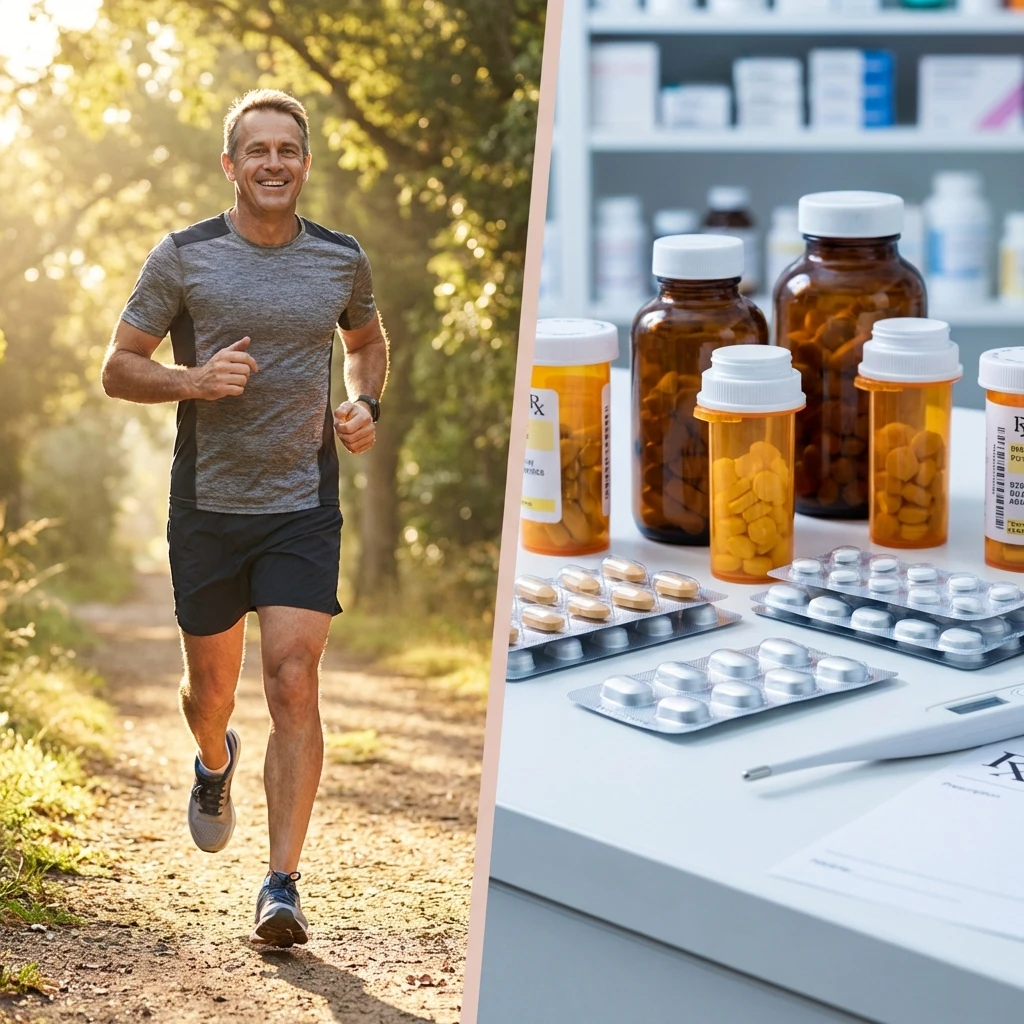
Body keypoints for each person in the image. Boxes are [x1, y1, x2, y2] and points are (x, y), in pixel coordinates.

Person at [101, 88, 388, 948]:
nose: (273, 163)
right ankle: (213, 759)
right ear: (231, 164)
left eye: (287, 150)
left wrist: (364, 402)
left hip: (302, 506)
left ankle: (282, 885)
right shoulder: (184, 257)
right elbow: (118, 366)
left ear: (305, 163)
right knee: (211, 695)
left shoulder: (339, 259)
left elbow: (367, 342)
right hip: (208, 508)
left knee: (293, 678)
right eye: (257, 149)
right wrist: (192, 382)